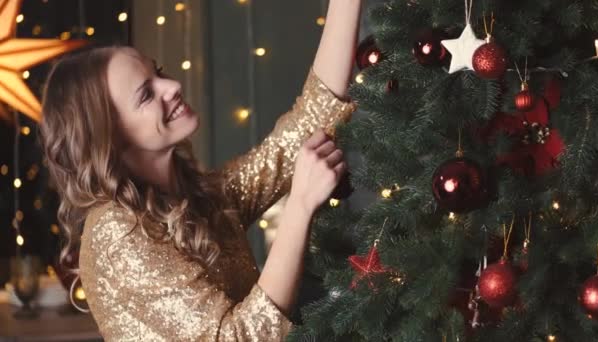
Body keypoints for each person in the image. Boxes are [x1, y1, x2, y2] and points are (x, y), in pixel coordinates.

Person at [38, 1, 361, 341]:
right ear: (109, 139)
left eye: (158, 72)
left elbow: (312, 118)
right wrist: (299, 207)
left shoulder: (197, 195)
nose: (172, 86)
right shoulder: (118, 232)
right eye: (147, 95)